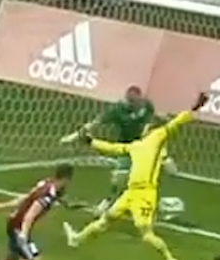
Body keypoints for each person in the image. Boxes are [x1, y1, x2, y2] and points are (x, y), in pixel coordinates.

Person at [64, 91, 206, 260]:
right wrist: (91, 141)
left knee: (146, 233)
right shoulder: (136, 146)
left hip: (146, 194)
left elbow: (176, 122)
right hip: (130, 192)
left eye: (146, 126)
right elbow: (113, 148)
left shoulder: (157, 138)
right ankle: (76, 239)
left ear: (151, 129)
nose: (143, 128)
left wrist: (195, 108)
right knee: (106, 219)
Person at [64, 86, 155, 218]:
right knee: (118, 178)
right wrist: (75, 136)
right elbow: (97, 122)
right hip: (125, 147)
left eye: (133, 101)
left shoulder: (147, 106)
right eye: (129, 101)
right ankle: (108, 202)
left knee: (141, 178)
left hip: (144, 148)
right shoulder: (118, 110)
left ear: (140, 98)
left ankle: (133, 203)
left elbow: (150, 122)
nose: (130, 104)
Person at [0, 163, 75, 260]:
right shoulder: (47, 196)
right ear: (66, 179)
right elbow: (30, 215)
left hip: (16, 222)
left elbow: (30, 196)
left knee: (14, 256)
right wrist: (23, 235)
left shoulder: (47, 183)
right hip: (19, 226)